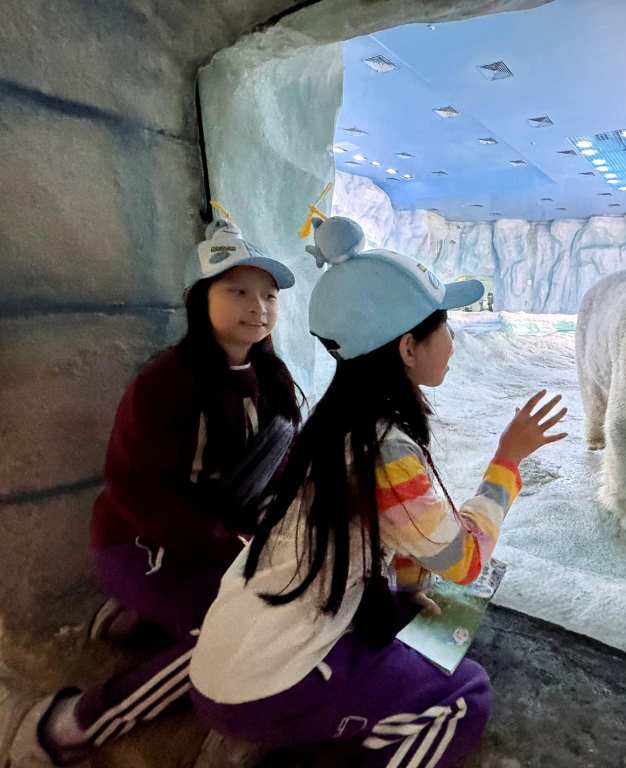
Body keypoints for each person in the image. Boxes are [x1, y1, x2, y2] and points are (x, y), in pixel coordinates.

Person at [187, 216, 567, 767]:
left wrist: (403, 597)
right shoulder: (385, 451)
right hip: (265, 686)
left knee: (397, 636)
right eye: (445, 326)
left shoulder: (335, 426)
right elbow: (464, 561)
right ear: (408, 347)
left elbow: (394, 531)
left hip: (223, 659)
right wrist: (507, 462)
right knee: (466, 694)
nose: (453, 341)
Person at [10, 219, 302, 766]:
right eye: (237, 291)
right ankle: (71, 725)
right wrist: (231, 550)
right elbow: (137, 492)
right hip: (139, 543)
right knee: (235, 635)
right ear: (200, 298)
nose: (257, 307)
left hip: (208, 543)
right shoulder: (166, 382)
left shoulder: (271, 377)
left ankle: (138, 617)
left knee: (278, 602)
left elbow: (276, 467)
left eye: (268, 295)